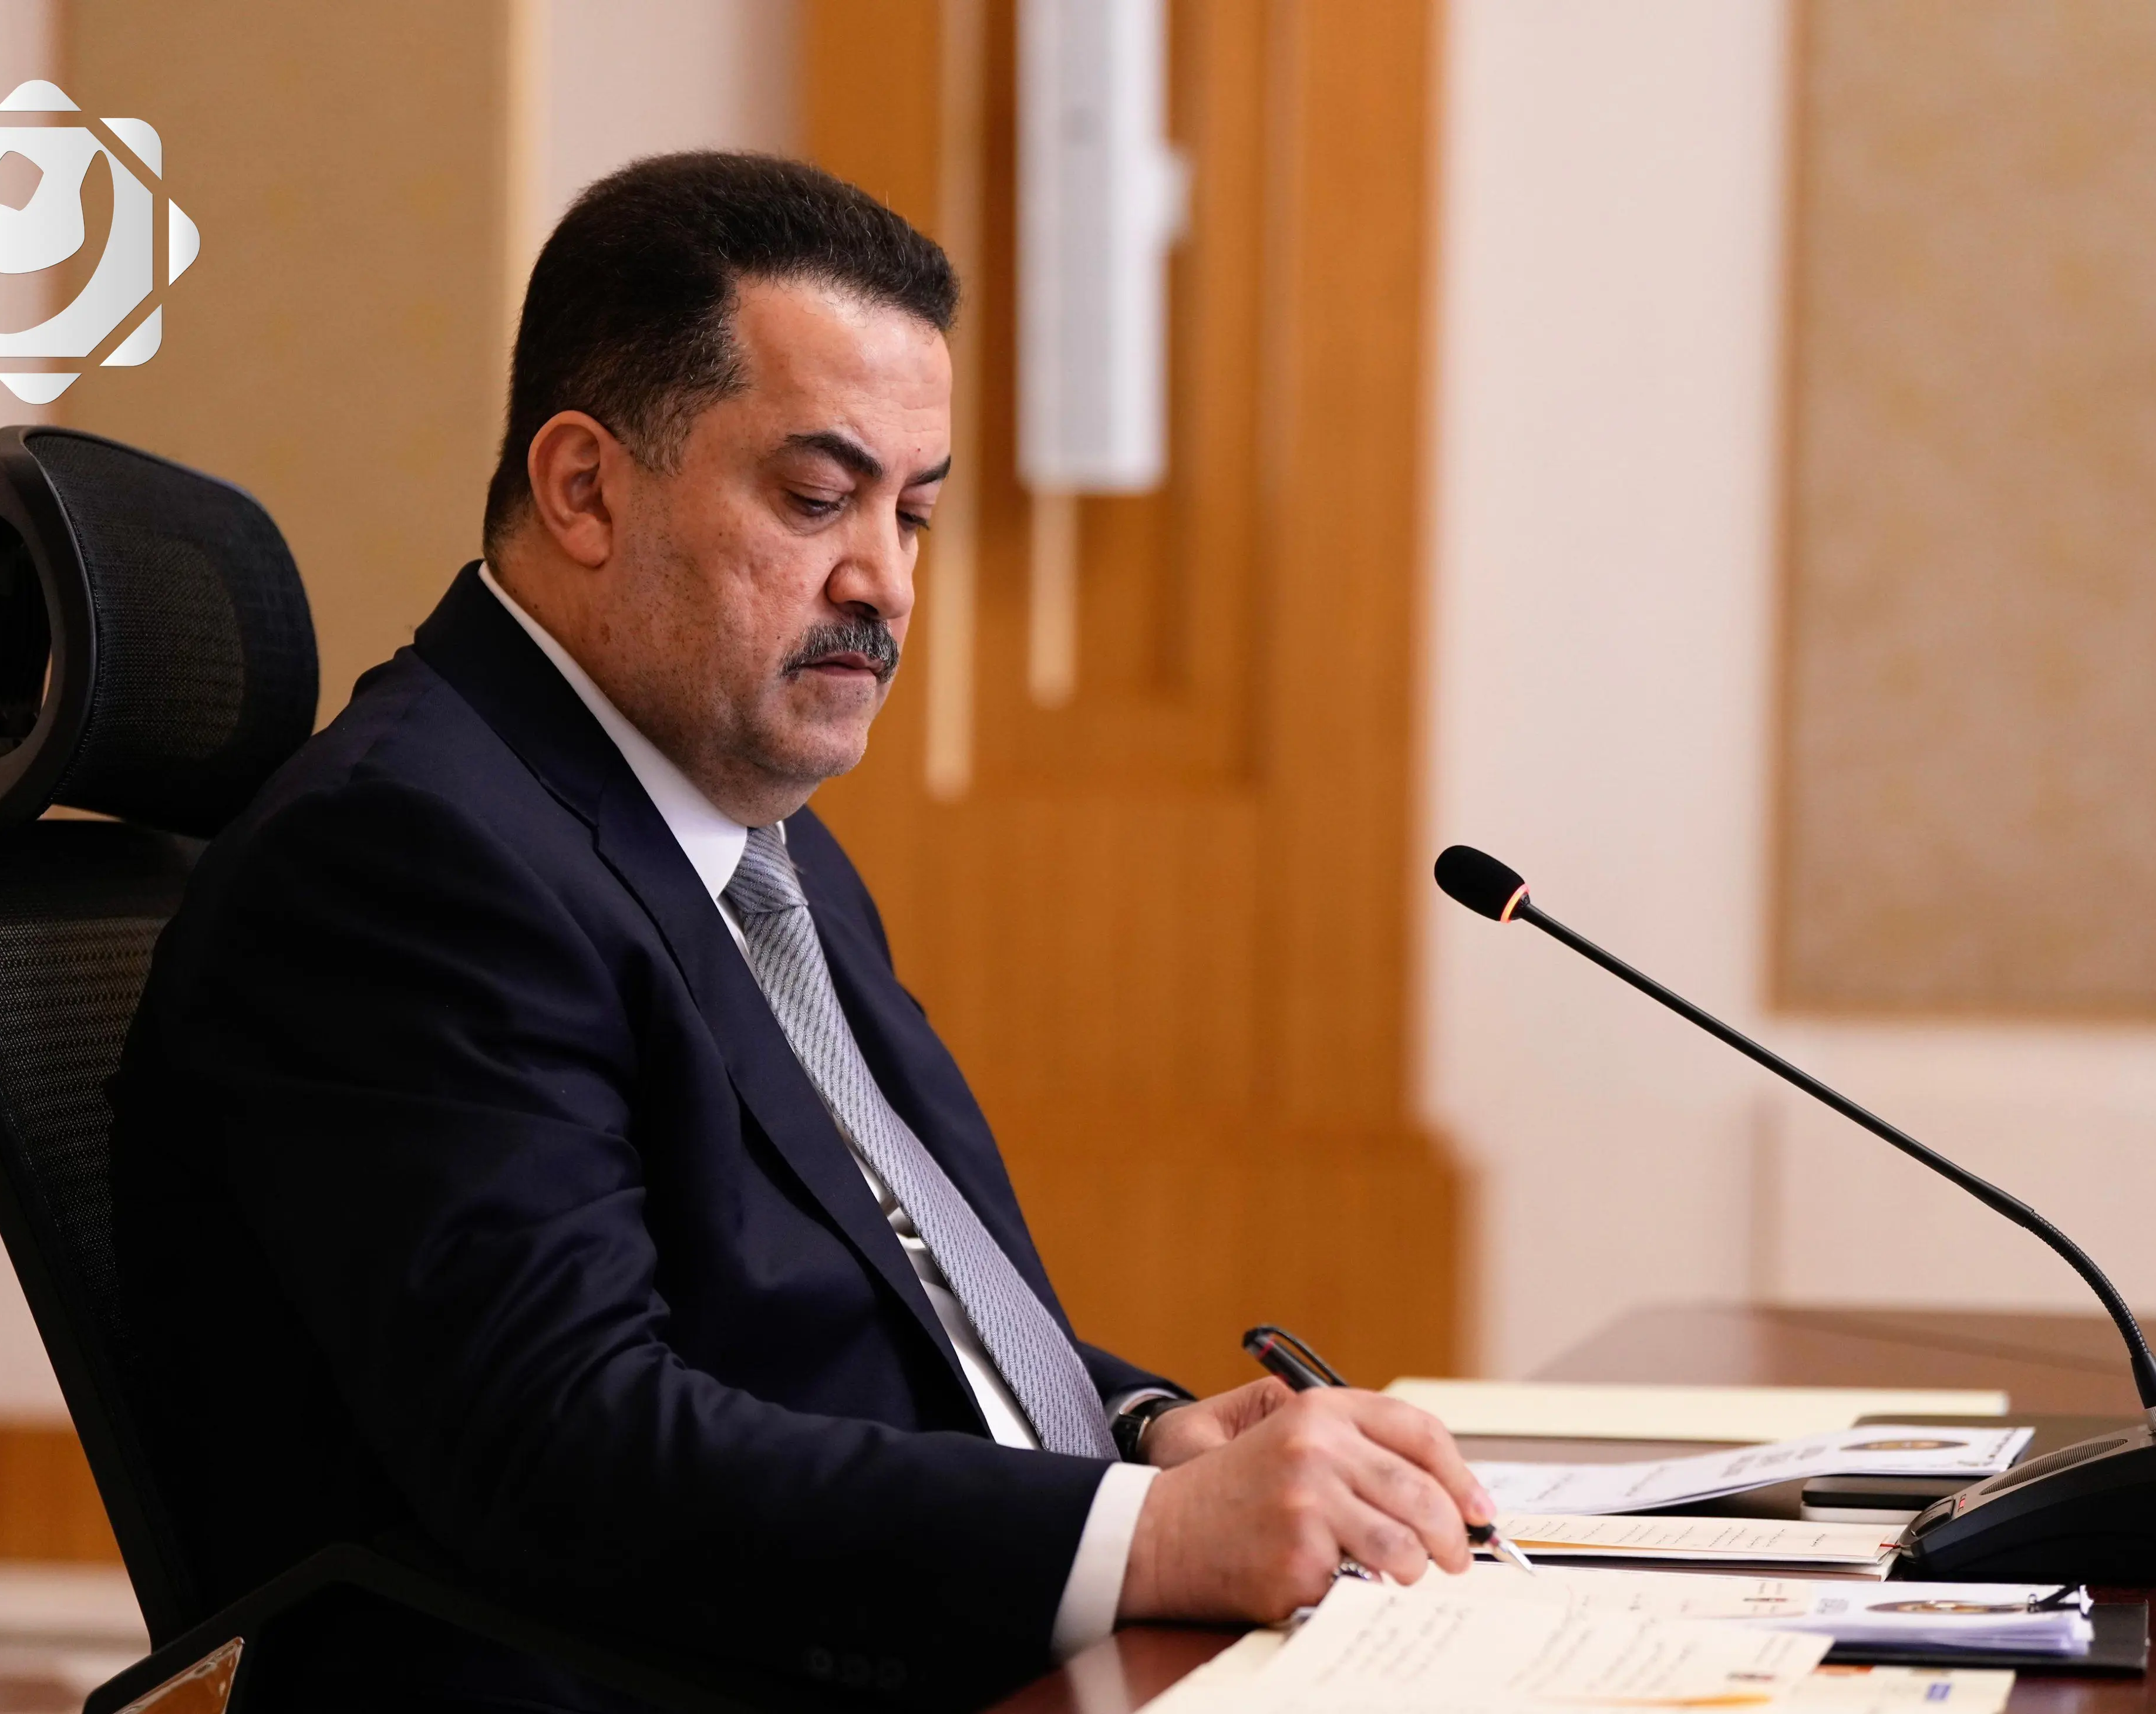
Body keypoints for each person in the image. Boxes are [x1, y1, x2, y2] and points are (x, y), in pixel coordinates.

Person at [111, 151, 1495, 1712]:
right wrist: (1149, 1537)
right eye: (818, 498)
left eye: (916, 512)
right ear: (584, 489)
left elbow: (860, 1323)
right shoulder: (407, 858)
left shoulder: (754, 841)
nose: (883, 582)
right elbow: (567, 1447)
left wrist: (1139, 1434)